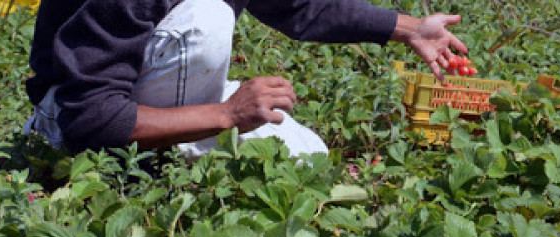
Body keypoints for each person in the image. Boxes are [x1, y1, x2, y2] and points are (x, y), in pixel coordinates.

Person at [25, 0, 468, 158]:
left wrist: (411, 30)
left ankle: (178, 144)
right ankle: (157, 166)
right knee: (208, 18)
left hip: (146, 93)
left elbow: (303, 7)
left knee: (309, 158)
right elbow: (89, 119)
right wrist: (227, 114)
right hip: (66, 117)